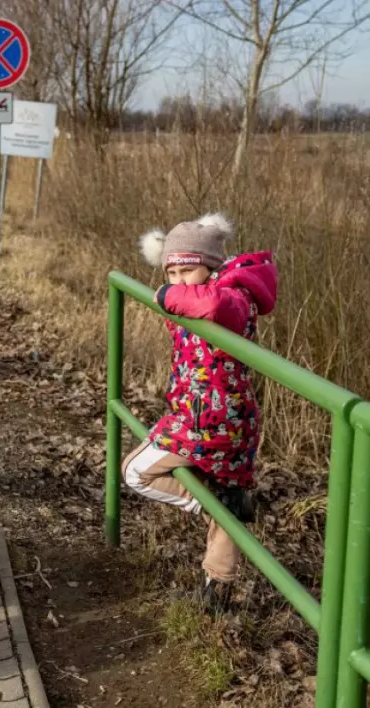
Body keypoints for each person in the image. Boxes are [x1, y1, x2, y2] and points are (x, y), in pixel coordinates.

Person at [122, 213, 277, 608]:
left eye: (187, 270)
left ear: (211, 265)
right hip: (223, 418)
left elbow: (214, 305)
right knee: (227, 500)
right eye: (171, 272)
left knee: (135, 472)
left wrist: (162, 295)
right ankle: (217, 591)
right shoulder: (209, 291)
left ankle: (214, 503)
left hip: (210, 421)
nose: (178, 281)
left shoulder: (233, 296)